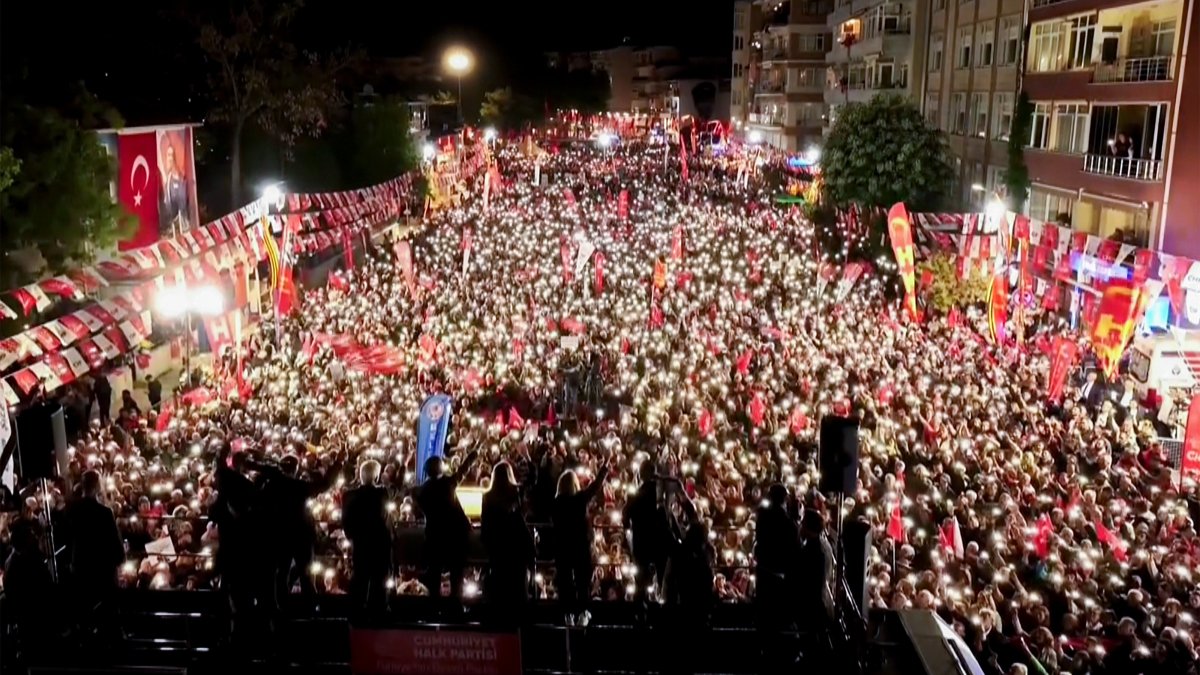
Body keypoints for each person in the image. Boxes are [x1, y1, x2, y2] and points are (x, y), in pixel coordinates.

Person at [255, 449, 346, 610]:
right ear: (295, 469)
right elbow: (323, 484)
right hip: (301, 537)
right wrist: (337, 463)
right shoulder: (297, 486)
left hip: (279, 536)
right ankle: (309, 609)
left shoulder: (269, 487)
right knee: (305, 574)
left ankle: (280, 607)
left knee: (281, 573)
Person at [64, 469, 125, 641]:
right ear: (98, 485)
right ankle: (113, 635)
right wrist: (120, 558)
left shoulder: (72, 510)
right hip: (101, 568)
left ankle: (84, 638)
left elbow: (67, 538)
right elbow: (113, 540)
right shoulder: (104, 512)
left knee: (83, 608)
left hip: (80, 566)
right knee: (109, 605)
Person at [416, 450, 478, 610]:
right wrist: (471, 457)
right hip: (454, 536)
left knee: (434, 572)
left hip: (434, 535)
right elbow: (462, 471)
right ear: (440, 468)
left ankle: (434, 605)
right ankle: (455, 605)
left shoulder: (422, 491)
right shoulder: (447, 484)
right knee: (456, 572)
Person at [552, 463, 610, 627]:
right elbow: (595, 486)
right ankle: (583, 613)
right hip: (579, 547)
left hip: (562, 547)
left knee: (565, 582)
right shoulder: (579, 499)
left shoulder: (556, 503)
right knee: (582, 581)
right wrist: (604, 466)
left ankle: (567, 614)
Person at [480, 461, 535, 624]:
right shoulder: (515, 492)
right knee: (517, 586)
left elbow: (486, 524)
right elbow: (532, 479)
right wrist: (527, 458)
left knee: (500, 586)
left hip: (497, 547)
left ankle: (500, 621)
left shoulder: (487, 496)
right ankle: (518, 623)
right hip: (516, 547)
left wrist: (487, 544)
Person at [343, 459, 394, 615]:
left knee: (360, 576)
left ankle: (358, 610)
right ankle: (379, 609)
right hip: (379, 542)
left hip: (360, 541)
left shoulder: (349, 495)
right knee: (380, 577)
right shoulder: (382, 492)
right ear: (376, 476)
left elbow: (345, 520)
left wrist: (351, 537)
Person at [623, 461, 674, 610]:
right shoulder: (661, 495)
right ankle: (663, 610)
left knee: (641, 582)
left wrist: (630, 533)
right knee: (662, 577)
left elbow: (625, 517)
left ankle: (640, 611)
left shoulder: (635, 496)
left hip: (641, 543)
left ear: (640, 474)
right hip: (660, 542)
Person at [3, 517, 55, 656]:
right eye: (31, 534)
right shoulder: (26, 561)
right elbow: (42, 584)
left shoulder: (16, 559)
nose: (34, 537)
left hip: (25, 611)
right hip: (32, 612)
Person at [754, 483, 798, 631]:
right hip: (779, 570)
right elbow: (793, 544)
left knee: (764, 608)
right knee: (776, 611)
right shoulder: (786, 520)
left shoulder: (762, 515)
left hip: (763, 566)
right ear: (784, 499)